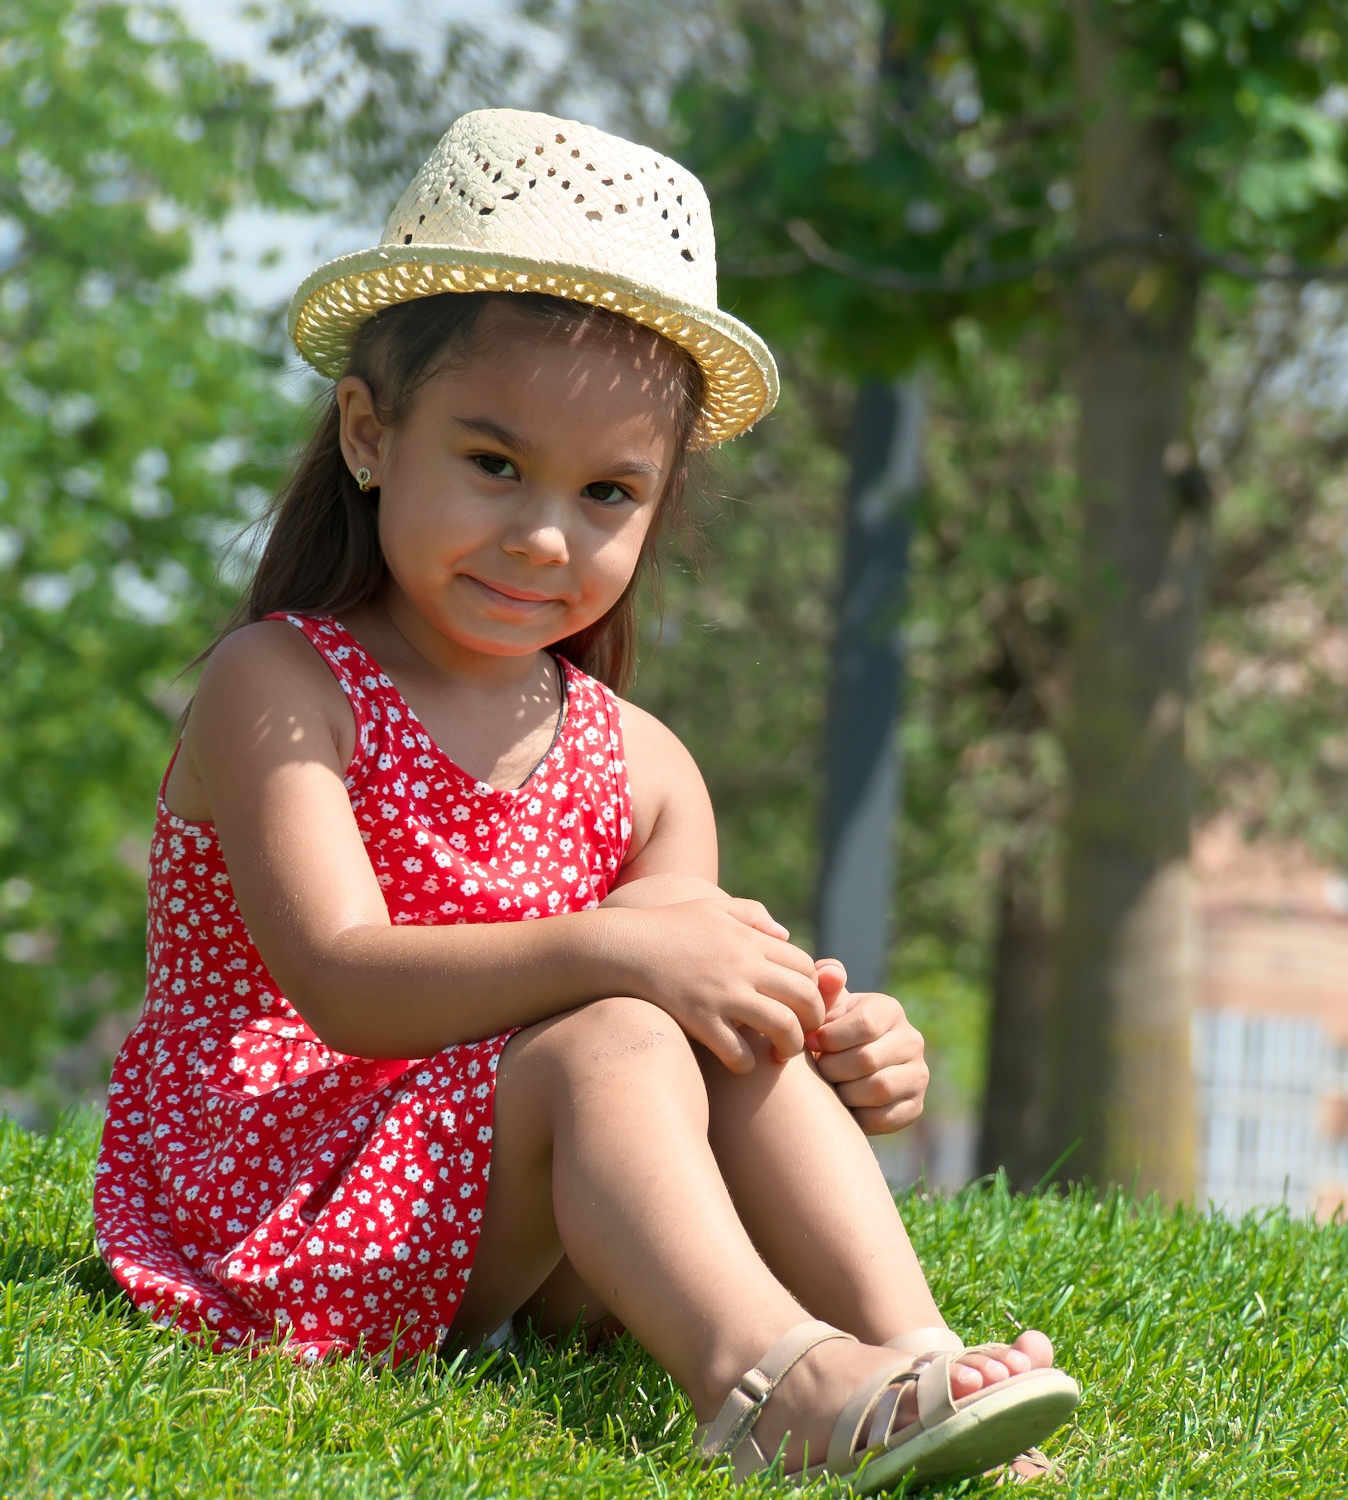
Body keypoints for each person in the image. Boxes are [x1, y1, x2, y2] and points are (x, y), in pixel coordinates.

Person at [94, 108, 1080, 1491]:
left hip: (518, 1231)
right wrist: (614, 947)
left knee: (718, 1030)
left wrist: (831, 1032)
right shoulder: (283, 682)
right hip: (286, 1209)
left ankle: (913, 1353)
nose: (546, 535)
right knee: (619, 1028)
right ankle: (766, 1386)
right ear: (372, 435)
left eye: (609, 492)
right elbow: (343, 980)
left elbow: (697, 1002)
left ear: (661, 502)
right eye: (493, 465)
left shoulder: (646, 766)